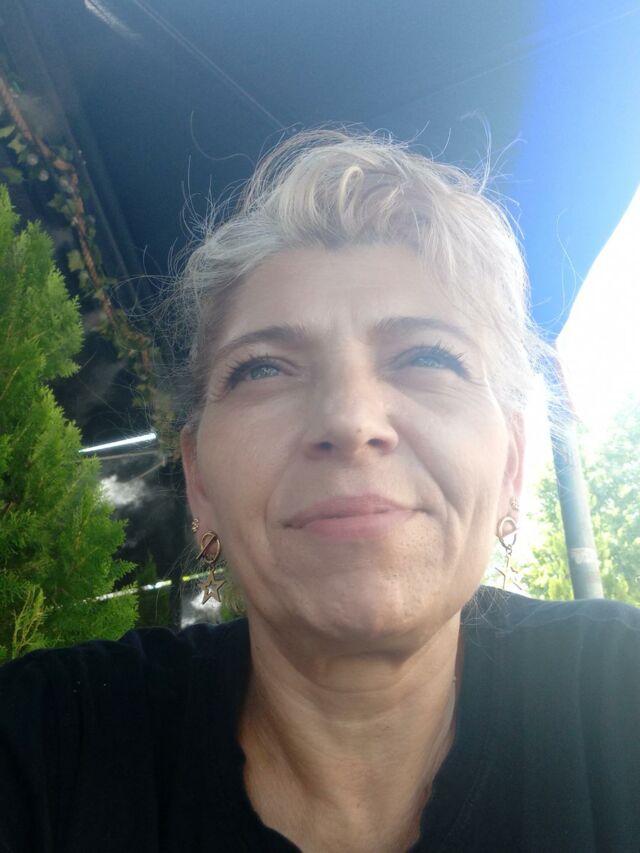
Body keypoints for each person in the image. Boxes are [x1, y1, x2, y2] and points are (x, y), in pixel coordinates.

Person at [1, 128, 639, 853]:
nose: (349, 421)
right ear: (199, 482)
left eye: (429, 357)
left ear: (512, 465)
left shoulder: (619, 700)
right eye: (264, 368)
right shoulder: (43, 749)